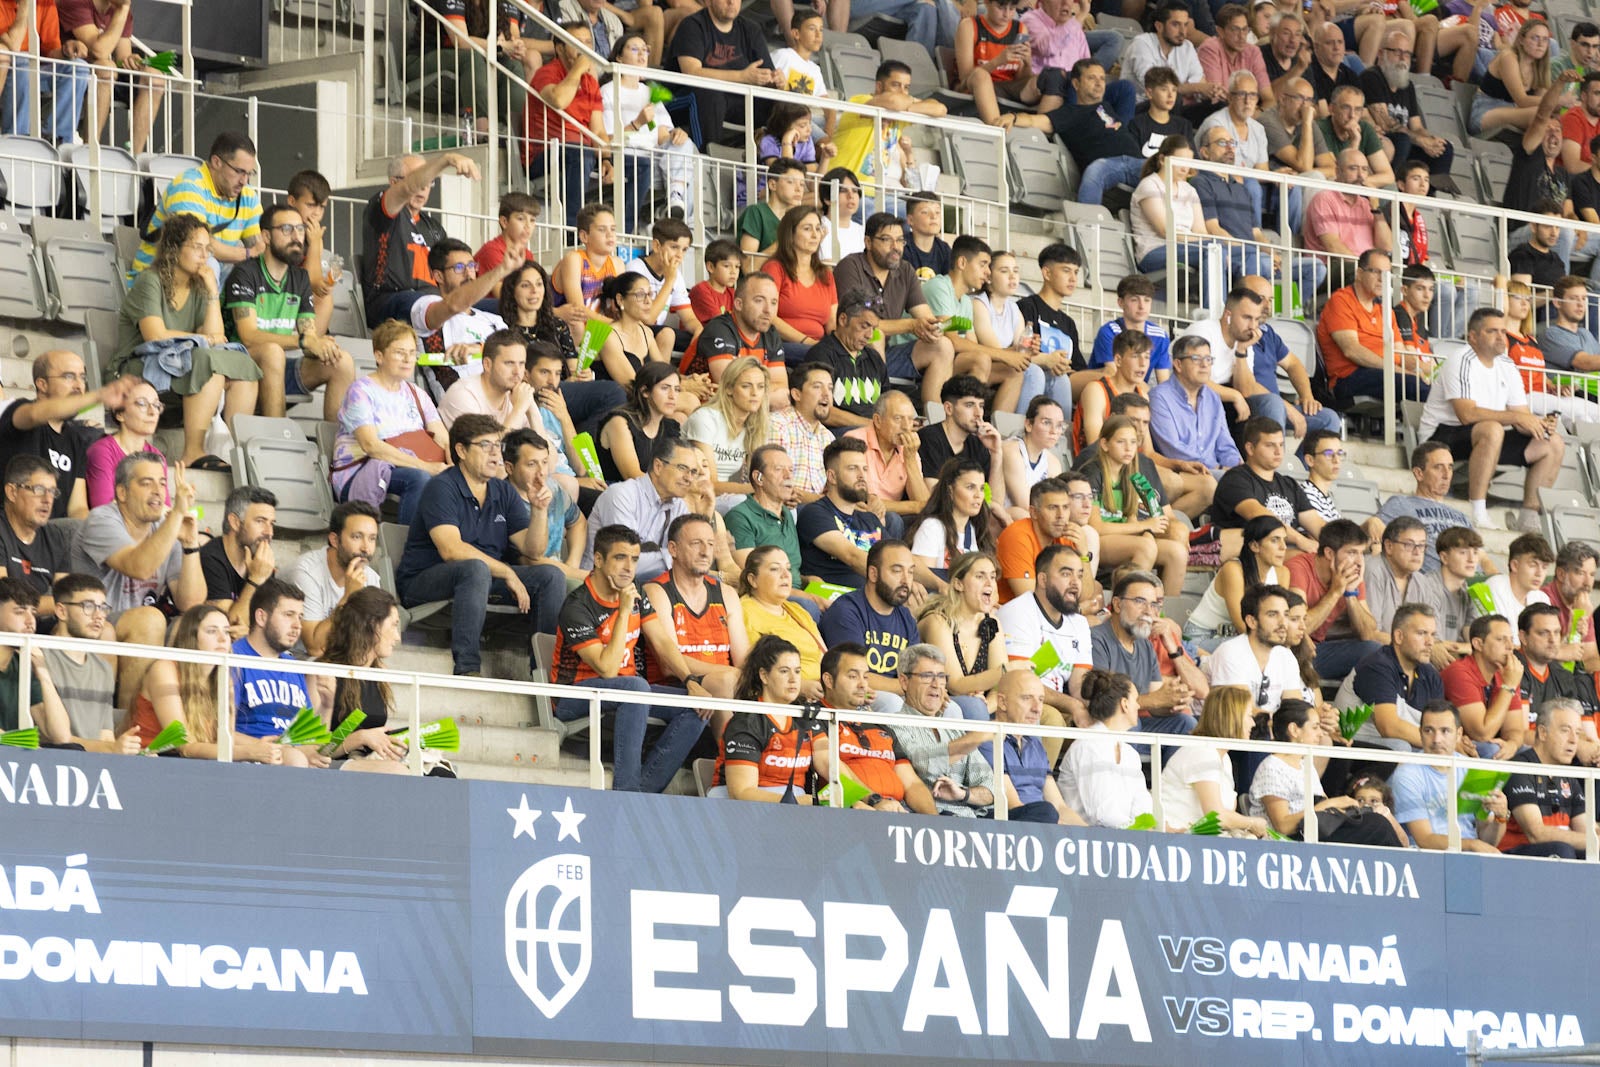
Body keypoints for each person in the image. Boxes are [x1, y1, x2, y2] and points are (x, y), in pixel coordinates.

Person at [394, 415, 565, 675]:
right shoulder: (442, 487)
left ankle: (544, 673)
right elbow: (452, 550)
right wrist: (506, 571)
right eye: (485, 446)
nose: (495, 454)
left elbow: (533, 550)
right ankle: (468, 667)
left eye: (497, 446)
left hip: (482, 579)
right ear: (461, 451)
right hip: (426, 580)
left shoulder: (503, 491)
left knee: (551, 576)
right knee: (475, 568)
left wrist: (539, 510)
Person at [553, 524, 708, 792]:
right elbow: (607, 669)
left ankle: (644, 791)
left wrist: (691, 681)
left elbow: (662, 641)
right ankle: (626, 789)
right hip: (573, 695)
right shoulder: (577, 605)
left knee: (696, 707)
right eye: (620, 557)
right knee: (635, 687)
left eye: (634, 559)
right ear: (598, 559)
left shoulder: (635, 591)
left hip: (628, 692)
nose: (629, 567)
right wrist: (623, 611)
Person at [113, 215, 262, 470]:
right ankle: (192, 452)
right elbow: (155, 335)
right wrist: (203, 338)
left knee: (242, 365)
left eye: (208, 249)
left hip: (181, 363)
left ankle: (235, 454)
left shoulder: (198, 286)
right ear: (174, 248)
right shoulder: (150, 281)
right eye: (197, 247)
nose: (205, 256)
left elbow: (216, 337)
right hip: (140, 365)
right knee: (206, 362)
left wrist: (213, 293)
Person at [70, 454, 204, 706]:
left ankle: (190, 721)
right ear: (122, 492)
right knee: (150, 620)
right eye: (146, 483)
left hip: (140, 626)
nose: (158, 491)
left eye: (162, 483)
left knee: (202, 626)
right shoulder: (101, 520)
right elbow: (139, 567)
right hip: (92, 619)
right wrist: (176, 515)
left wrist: (190, 544)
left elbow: (191, 602)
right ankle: (129, 719)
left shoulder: (166, 527)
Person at [1420, 307, 1566, 534]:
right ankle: (1478, 511)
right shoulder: (1461, 360)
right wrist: (1518, 417)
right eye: (1492, 331)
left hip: (1485, 436)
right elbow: (1467, 414)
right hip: (1441, 437)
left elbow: (1521, 416)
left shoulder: (1507, 365)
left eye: (1503, 331)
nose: (1501, 337)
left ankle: (1529, 518)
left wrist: (1538, 424)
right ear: (1473, 336)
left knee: (1552, 442)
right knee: (1492, 429)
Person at [223, 202, 354, 421]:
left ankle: (339, 441)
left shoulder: (300, 278)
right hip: (239, 370)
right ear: (266, 236)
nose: (296, 236)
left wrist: (320, 346)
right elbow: (248, 337)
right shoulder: (245, 273)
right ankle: (277, 435)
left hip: (276, 369)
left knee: (342, 361)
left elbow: (307, 335)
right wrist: (303, 341)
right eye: (286, 229)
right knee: (273, 352)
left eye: (300, 229)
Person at [330, 320, 449, 524]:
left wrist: (454, 469)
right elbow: (371, 446)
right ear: (379, 356)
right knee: (419, 478)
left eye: (412, 353)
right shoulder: (360, 391)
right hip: (361, 470)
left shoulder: (417, 393)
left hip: (409, 465)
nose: (408, 359)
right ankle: (410, 542)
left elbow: (444, 440)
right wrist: (426, 467)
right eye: (400, 353)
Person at [128, 605, 278, 762]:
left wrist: (261, 746)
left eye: (227, 632)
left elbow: (225, 739)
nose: (222, 639)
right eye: (212, 631)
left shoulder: (225, 678)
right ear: (191, 638)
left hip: (192, 764)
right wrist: (249, 752)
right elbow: (184, 746)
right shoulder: (164, 669)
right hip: (149, 761)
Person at [1248, 698, 1405, 843]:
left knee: (1374, 819)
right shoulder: (1273, 767)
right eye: (1315, 727)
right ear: (1294, 730)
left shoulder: (1305, 765)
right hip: (1293, 840)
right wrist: (1333, 802)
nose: (1320, 733)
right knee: (1376, 825)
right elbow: (1283, 826)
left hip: (1316, 833)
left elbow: (1324, 809)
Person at [832, 212, 954, 396]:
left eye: (900, 240)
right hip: (850, 351)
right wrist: (912, 325)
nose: (895, 247)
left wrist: (935, 326)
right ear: (868, 242)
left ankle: (934, 411)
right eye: (886, 240)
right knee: (875, 335)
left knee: (943, 346)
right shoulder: (850, 266)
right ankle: (877, 404)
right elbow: (857, 323)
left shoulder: (905, 270)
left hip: (886, 354)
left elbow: (925, 317)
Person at [500, 260, 630, 431]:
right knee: (612, 392)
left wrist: (582, 375)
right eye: (525, 285)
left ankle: (582, 438)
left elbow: (573, 367)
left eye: (539, 284)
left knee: (615, 399)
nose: (534, 291)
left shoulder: (557, 324)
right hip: (533, 392)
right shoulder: (505, 330)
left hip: (564, 388)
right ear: (512, 291)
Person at [0, 349, 124, 520]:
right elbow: (34, 414)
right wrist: (98, 396)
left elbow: (77, 508)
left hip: (55, 533)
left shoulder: (76, 440)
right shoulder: (19, 412)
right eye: (69, 376)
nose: (79, 385)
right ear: (42, 384)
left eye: (82, 377)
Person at [360, 153, 478, 328]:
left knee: (499, 306)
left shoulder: (433, 227)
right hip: (390, 301)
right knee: (428, 305)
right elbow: (407, 188)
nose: (423, 187)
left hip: (436, 302)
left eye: (429, 181)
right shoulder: (383, 210)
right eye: (418, 178)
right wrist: (445, 160)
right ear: (394, 183)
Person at [822, 643, 939, 815]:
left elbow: (912, 783)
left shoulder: (879, 724)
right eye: (853, 676)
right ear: (829, 680)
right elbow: (827, 772)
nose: (863, 684)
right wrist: (873, 802)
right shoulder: (817, 720)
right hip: (849, 809)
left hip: (897, 809)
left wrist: (933, 820)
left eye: (866, 677)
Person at [303, 587, 411, 770]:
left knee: (440, 771)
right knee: (396, 771)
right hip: (330, 765)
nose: (397, 637)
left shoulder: (381, 674)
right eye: (393, 625)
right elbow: (312, 749)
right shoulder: (323, 673)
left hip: (366, 762)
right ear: (372, 625)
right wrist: (359, 738)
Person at [129, 131, 261, 281]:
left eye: (249, 174)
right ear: (217, 162)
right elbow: (198, 246)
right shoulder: (188, 185)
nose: (244, 181)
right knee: (206, 263)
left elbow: (260, 246)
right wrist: (248, 253)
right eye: (239, 171)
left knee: (254, 268)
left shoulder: (247, 196)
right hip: (155, 280)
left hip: (207, 282)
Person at [642, 513, 745, 701]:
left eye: (711, 544)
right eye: (696, 543)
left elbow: (743, 660)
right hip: (675, 689)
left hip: (729, 688)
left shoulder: (727, 594)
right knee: (725, 682)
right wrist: (730, 674)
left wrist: (736, 676)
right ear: (673, 549)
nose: (705, 552)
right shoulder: (657, 591)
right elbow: (668, 664)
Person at [923, 236, 1032, 413]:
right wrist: (1004, 355)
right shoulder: (939, 287)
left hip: (950, 359)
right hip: (923, 355)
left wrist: (1014, 352)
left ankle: (996, 426)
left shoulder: (966, 302)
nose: (988, 272)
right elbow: (953, 341)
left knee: (1013, 372)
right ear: (962, 263)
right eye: (983, 265)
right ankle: (965, 415)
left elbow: (971, 344)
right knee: (979, 359)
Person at [710, 636, 826, 802]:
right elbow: (741, 792)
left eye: (797, 671)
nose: (793, 679)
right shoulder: (746, 722)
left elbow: (829, 763)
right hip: (742, 808)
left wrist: (860, 799)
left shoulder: (805, 718)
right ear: (764, 676)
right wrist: (802, 802)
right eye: (784, 671)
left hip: (795, 804)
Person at [1083, 416, 1188, 597]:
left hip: (1123, 537)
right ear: (1105, 444)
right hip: (1099, 539)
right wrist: (1145, 526)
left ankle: (1161, 610)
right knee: (1145, 547)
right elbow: (1096, 527)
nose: (1128, 448)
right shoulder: (1093, 473)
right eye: (1121, 442)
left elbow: (1131, 519)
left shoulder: (1131, 474)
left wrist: (1146, 531)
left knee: (1177, 553)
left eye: (1133, 442)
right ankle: (1125, 604)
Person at [892, 643, 998, 818]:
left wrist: (963, 794)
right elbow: (924, 763)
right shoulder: (894, 725)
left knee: (1038, 813)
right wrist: (973, 739)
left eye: (941, 677)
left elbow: (991, 787)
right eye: (927, 676)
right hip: (933, 819)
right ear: (904, 681)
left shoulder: (953, 730)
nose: (936, 685)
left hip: (971, 818)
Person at [604, 33, 698, 220]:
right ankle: (682, 223)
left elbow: (663, 136)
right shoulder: (608, 91)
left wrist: (676, 134)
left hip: (657, 160)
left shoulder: (649, 91)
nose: (642, 54)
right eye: (634, 49)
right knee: (688, 168)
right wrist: (637, 123)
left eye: (645, 50)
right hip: (629, 159)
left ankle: (675, 199)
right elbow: (606, 141)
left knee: (686, 144)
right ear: (619, 57)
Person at [227, 576, 316, 766]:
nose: (298, 625)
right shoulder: (233, 658)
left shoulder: (292, 665)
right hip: (249, 760)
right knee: (296, 760)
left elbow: (308, 734)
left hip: (294, 756)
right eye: (289, 615)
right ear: (261, 617)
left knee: (379, 768)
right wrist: (262, 746)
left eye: (300, 617)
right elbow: (217, 730)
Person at [582, 436, 698, 582]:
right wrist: (676, 558)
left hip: (645, 585)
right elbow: (624, 561)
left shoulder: (679, 506)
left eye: (693, 472)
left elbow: (690, 553)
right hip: (601, 584)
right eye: (682, 468)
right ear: (658, 467)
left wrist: (705, 513)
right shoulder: (622, 495)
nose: (689, 478)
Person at [665, 0, 777, 149]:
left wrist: (776, 80)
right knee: (710, 93)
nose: (731, 2)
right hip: (679, 98)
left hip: (732, 100)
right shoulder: (692, 25)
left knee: (781, 103)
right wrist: (742, 77)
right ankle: (707, 156)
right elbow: (692, 72)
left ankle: (775, 158)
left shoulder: (750, 29)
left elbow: (767, 74)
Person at [1093, 570, 1197, 731]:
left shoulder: (1145, 645)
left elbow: (1156, 703)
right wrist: (1155, 699)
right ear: (1117, 604)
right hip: (1105, 727)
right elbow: (1102, 703)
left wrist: (1173, 700)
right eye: (1140, 601)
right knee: (1129, 723)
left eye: (1154, 604)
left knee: (1186, 723)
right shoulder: (1096, 639)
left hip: (1138, 723)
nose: (1149, 611)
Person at [999, 545, 1092, 724]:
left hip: (1059, 704)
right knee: (1053, 719)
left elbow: (1079, 685)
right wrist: (1073, 705)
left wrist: (1098, 705)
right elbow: (1018, 682)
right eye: (1066, 574)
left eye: (1079, 575)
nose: (1075, 583)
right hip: (1019, 702)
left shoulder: (1080, 623)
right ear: (1043, 580)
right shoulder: (1018, 612)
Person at [1160, 685, 1272, 835]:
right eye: (1249, 716)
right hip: (1174, 839)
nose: (1253, 723)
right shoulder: (1202, 751)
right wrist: (1252, 823)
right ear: (1231, 717)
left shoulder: (1224, 758)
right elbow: (1216, 817)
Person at [1337, 602, 1447, 751]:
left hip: (1411, 745)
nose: (1430, 642)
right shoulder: (1376, 666)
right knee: (1401, 747)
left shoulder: (1431, 675)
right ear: (1399, 636)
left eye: (1432, 635)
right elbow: (1389, 727)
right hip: (1351, 746)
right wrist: (1444, 743)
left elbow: (1440, 724)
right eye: (1421, 633)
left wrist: (1455, 742)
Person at [819, 539, 921, 698]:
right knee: (892, 701)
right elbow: (853, 676)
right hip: (859, 696)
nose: (906, 580)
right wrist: (913, 687)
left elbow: (916, 673)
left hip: (899, 694)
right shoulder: (846, 611)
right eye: (897, 571)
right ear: (873, 574)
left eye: (910, 572)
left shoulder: (906, 618)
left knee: (950, 708)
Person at [61, 0, 167, 154]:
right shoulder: (76, 2)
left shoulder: (121, 9)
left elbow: (122, 56)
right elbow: (99, 51)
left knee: (155, 78)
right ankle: (90, 149)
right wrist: (123, 9)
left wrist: (131, 60)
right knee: (106, 68)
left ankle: (135, 155)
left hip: (106, 74)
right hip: (73, 73)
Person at [916, 551, 1009, 722]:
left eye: (992, 576)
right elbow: (956, 685)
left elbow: (1001, 686)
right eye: (980, 576)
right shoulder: (938, 621)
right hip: (937, 704)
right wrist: (1007, 670)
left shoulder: (991, 622)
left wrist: (986, 705)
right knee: (973, 707)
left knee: (1022, 706)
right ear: (958, 584)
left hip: (979, 709)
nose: (989, 583)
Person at [42, 574, 128, 754]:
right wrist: (111, 748)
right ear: (61, 611)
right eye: (88, 606)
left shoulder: (103, 668)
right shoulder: (38, 659)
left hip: (94, 763)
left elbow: (105, 736)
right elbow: (50, 737)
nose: (99, 616)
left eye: (103, 608)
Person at [1182, 285, 1287, 430]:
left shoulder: (1244, 341)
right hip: (1189, 398)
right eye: (1247, 318)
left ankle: (1272, 444)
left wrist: (1241, 351)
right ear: (1228, 316)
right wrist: (1234, 395)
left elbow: (1246, 391)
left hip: (1222, 402)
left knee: (1270, 403)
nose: (1252, 326)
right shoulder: (1202, 332)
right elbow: (1192, 380)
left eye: (1256, 319)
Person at [1057, 670, 1153, 828]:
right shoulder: (1087, 746)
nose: (1138, 705)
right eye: (1135, 700)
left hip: (1125, 835)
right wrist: (1135, 831)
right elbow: (1102, 814)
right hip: (1085, 837)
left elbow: (1142, 803)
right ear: (1124, 704)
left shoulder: (1131, 754)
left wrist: (1143, 829)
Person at [1499, 698, 1592, 857]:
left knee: (1589, 853)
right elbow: (1536, 833)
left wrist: (1594, 838)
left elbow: (1586, 830)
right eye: (1565, 730)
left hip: (1555, 855)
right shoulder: (1520, 768)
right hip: (1516, 857)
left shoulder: (1569, 775)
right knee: (1562, 850)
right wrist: (1594, 841)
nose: (1573, 740)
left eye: (1577, 733)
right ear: (1543, 733)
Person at [289, 500, 381, 660]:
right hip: (297, 661)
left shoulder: (371, 578)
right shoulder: (307, 573)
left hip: (340, 661)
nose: (366, 548)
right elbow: (314, 647)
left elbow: (371, 643)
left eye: (372, 539)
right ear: (334, 540)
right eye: (357, 537)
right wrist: (349, 597)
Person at [1047, 60, 1145, 208]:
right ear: (1076, 84)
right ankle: (1087, 222)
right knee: (1096, 170)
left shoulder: (1106, 107)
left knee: (1177, 171)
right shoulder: (1070, 114)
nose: (1099, 83)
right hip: (1109, 165)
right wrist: (1013, 117)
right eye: (1092, 78)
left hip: (1140, 164)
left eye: (1102, 79)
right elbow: (1036, 120)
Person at [680, 273, 785, 408]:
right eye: (759, 301)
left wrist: (756, 393)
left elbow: (782, 387)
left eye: (773, 302)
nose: (768, 310)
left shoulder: (771, 334)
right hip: (705, 408)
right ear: (739, 304)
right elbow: (731, 388)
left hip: (746, 410)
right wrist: (766, 393)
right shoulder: (719, 329)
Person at [994, 668, 1085, 824]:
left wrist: (1090, 834)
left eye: (1041, 700)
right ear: (1002, 702)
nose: (1037, 708)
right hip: (1013, 824)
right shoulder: (990, 740)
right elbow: (1012, 805)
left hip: (1045, 822)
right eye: (1027, 698)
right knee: (1046, 811)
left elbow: (1059, 806)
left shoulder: (1034, 743)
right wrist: (1054, 827)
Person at [1184, 514, 1288, 651]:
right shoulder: (1233, 569)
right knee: (1265, 647)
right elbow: (1241, 624)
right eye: (1275, 540)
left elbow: (1282, 618)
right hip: (1203, 637)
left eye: (1284, 540)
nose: (1283, 547)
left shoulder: (1283, 573)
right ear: (1254, 546)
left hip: (1241, 637)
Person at [1360, 28, 1454, 178]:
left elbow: (1417, 126)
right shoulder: (1371, 77)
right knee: (1402, 139)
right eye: (1397, 53)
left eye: (1407, 54)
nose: (1403, 59)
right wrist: (1420, 141)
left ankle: (1429, 191)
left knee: (1445, 148)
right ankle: (1392, 186)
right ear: (1381, 54)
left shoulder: (1407, 86)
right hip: (1382, 142)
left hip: (1406, 143)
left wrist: (1431, 141)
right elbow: (1385, 124)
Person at [1129, 137, 1217, 293]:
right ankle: (1212, 306)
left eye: (1189, 163)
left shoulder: (1189, 190)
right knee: (1213, 251)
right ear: (1163, 160)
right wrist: (1202, 242)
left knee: (1243, 257)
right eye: (1180, 161)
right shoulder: (1149, 185)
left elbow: (1201, 231)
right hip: (1155, 251)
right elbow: (1166, 231)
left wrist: (1204, 242)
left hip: (1186, 247)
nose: (1185, 168)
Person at [796, 436, 885, 590]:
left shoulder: (870, 519)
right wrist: (896, 580)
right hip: (834, 597)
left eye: (864, 469)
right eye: (852, 468)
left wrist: (930, 582)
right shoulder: (815, 513)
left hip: (873, 596)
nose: (861, 475)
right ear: (832, 476)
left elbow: (896, 556)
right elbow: (852, 556)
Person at [738, 545, 827, 696]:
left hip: (822, 691)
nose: (785, 575)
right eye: (775, 569)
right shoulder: (744, 611)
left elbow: (826, 656)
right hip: (785, 696)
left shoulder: (798, 611)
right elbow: (752, 670)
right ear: (753, 580)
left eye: (788, 568)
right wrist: (799, 686)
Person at [1148, 334, 1243, 474]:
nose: (1204, 365)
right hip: (1185, 473)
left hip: (1219, 472)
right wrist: (1218, 469)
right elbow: (1173, 450)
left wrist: (1236, 467)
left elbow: (1225, 444)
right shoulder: (1159, 398)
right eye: (1196, 359)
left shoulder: (1213, 397)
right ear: (1178, 365)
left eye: (1208, 359)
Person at [1205, 583, 1305, 715]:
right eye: (1272, 614)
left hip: (1269, 726)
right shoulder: (1231, 652)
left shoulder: (1286, 656)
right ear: (1252, 621)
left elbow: (1294, 709)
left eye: (1286, 615)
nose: (1283, 623)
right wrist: (1283, 722)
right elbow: (1243, 713)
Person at [685, 356, 770, 507]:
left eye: (760, 387)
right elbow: (709, 483)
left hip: (726, 497)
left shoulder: (755, 427)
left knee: (787, 509)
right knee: (741, 502)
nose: (755, 393)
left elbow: (759, 475)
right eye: (746, 386)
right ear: (729, 388)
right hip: (695, 496)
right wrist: (760, 489)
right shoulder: (705, 419)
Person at [1444, 613, 1530, 758]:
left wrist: (1512, 745)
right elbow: (1481, 733)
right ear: (1478, 644)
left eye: (1511, 640)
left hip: (1488, 743)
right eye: (1501, 639)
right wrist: (1509, 686)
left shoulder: (1507, 673)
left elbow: (1515, 730)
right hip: (1458, 748)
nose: (1510, 647)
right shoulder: (1460, 672)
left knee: (1530, 753)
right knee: (1492, 750)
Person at [845, 390, 925, 540]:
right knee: (893, 519)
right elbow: (859, 501)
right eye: (898, 418)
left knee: (929, 521)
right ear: (878, 421)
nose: (906, 427)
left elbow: (924, 504)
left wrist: (910, 459)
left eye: (910, 419)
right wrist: (913, 506)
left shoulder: (909, 450)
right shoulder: (854, 441)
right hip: (854, 515)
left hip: (891, 520)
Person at [198, 485, 277, 636]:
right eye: (260, 521)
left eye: (271, 523)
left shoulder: (261, 560)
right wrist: (256, 579)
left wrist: (250, 633)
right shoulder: (210, 558)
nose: (269, 532)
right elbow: (228, 627)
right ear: (234, 522)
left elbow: (267, 624)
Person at [0, 458, 70, 627]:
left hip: (38, 624)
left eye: (52, 492)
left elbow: (67, 595)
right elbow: (5, 600)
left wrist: (66, 605)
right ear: (12, 492)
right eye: (39, 490)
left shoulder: (55, 537)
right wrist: (61, 605)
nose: (48, 499)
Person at [910, 458, 997, 591]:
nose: (978, 495)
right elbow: (920, 578)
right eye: (970, 487)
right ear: (950, 490)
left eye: (981, 488)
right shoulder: (932, 527)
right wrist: (942, 586)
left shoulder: (973, 530)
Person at [83, 378, 165, 511]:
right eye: (142, 404)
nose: (152, 412)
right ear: (120, 414)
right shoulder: (102, 451)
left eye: (156, 405)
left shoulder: (156, 455)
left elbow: (162, 507)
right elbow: (104, 508)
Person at [596, 363, 682, 485]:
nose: (672, 396)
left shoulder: (670, 428)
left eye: (677, 389)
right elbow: (632, 476)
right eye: (665, 388)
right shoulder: (620, 422)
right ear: (645, 391)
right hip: (616, 490)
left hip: (653, 492)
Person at [918, 375, 1005, 494]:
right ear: (949, 408)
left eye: (981, 406)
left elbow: (994, 499)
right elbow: (934, 497)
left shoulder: (978, 444)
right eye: (969, 405)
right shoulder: (929, 438)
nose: (978, 413)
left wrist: (996, 453)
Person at [624, 215, 698, 354]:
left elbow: (689, 318)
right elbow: (648, 319)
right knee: (667, 334)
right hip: (636, 329)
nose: (680, 255)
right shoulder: (635, 268)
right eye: (674, 247)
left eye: (684, 249)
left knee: (707, 338)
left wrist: (699, 331)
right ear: (657, 246)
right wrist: (669, 281)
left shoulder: (676, 275)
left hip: (658, 331)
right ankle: (661, 369)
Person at [1409, 526, 1483, 663]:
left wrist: (1469, 647)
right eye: (1463, 552)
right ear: (1444, 557)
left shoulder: (1469, 593)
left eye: (1475, 552)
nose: (1472, 559)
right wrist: (1468, 648)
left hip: (1455, 660)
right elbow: (1435, 646)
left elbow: (1477, 642)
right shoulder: (1428, 586)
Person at [1124, 3, 1218, 109]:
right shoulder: (1142, 43)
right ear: (1159, 26)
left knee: (1218, 105)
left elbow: (1199, 82)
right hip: (1142, 108)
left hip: (1175, 108)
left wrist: (1212, 91)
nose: (1182, 32)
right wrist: (1196, 88)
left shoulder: (1187, 46)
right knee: (1175, 100)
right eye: (1176, 25)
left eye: (1185, 25)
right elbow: (1156, 87)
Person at [1472, 19, 1556, 137]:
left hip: (1515, 112)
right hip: (1486, 111)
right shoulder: (1508, 57)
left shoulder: (1540, 67)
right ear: (1521, 39)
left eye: (1545, 39)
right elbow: (1522, 101)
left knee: (1555, 119)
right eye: (1535, 38)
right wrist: (1557, 101)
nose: (1540, 44)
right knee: (1537, 114)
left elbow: (1542, 101)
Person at [768, 362, 835, 500]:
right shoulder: (777, 425)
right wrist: (824, 503)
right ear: (796, 394)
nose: (826, 394)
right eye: (817, 387)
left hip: (817, 507)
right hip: (785, 506)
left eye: (830, 388)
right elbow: (775, 486)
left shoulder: (828, 437)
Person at [736, 160, 810, 272]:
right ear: (772, 185)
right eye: (791, 182)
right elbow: (748, 268)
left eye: (802, 184)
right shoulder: (756, 212)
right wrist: (783, 241)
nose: (799, 189)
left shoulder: (799, 220)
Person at [552, 203, 625, 314]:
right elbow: (579, 312)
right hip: (562, 323)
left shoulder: (617, 264)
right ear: (584, 236)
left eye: (613, 229)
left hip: (599, 323)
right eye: (602, 229)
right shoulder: (574, 259)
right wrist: (615, 324)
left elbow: (623, 309)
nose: (610, 235)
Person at [1199, 4, 1276, 108]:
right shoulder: (1210, 48)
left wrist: (1257, 113)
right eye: (1235, 29)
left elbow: (1269, 99)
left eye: (1245, 29)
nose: (1241, 36)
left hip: (1249, 111)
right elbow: (1218, 97)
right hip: (1218, 111)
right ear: (1220, 31)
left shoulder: (1253, 51)